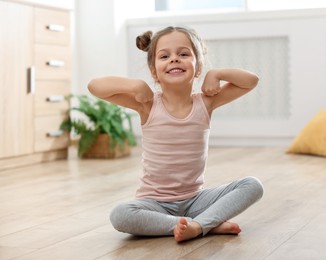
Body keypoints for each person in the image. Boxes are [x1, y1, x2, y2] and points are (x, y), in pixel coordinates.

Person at [88, 26, 264, 243]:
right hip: (154, 203)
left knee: (253, 185)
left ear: (197, 67)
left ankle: (198, 224)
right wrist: (135, 85)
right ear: (154, 71)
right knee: (120, 214)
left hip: (195, 199)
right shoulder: (147, 104)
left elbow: (252, 81)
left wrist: (216, 74)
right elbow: (94, 86)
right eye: (164, 56)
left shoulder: (206, 103)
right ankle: (204, 223)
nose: (174, 60)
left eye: (183, 54)